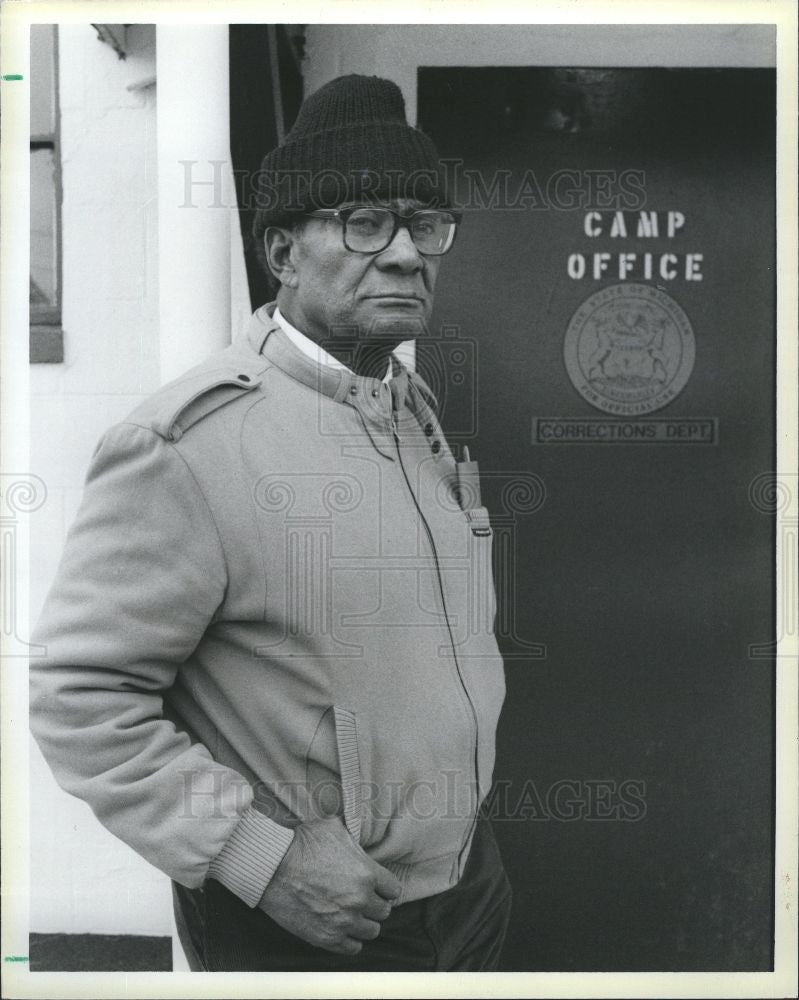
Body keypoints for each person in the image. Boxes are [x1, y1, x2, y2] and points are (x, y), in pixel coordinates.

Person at [30, 74, 511, 972]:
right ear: (283, 251)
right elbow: (81, 700)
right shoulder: (188, 445)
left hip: (465, 890)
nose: (407, 253)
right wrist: (261, 859)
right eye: (365, 222)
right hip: (314, 921)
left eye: (426, 224)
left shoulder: (411, 409)